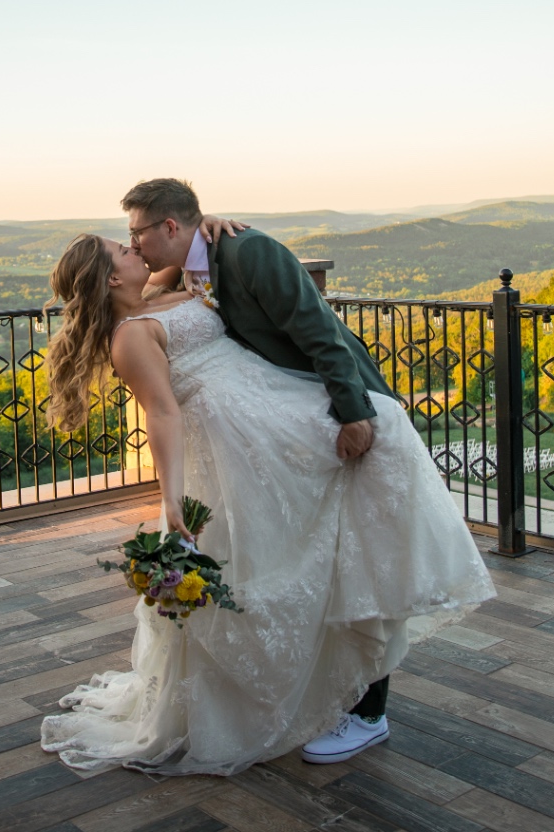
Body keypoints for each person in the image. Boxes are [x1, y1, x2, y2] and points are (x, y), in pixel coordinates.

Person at [38, 179, 493, 776]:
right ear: (110, 280)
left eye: (135, 237)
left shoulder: (166, 281)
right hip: (242, 446)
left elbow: (202, 264)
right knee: (292, 562)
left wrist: (208, 222)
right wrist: (170, 501)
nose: (133, 249)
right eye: (122, 249)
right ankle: (339, 701)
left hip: (275, 418)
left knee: (361, 509)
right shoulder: (131, 334)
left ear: (168, 230)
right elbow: (163, 413)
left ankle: (362, 700)